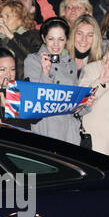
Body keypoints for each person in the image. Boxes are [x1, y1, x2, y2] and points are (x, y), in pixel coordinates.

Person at [24, 17, 81, 145]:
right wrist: (45, 72)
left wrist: (85, 103)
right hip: (47, 129)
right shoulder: (33, 60)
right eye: (51, 39)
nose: (56, 44)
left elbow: (72, 104)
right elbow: (35, 102)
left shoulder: (71, 63)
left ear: (66, 40)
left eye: (61, 39)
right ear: (44, 38)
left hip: (69, 132)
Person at [0, 0, 41, 79]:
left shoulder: (34, 36)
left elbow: (34, 60)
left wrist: (11, 36)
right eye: (1, 16)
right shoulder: (0, 42)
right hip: (7, 88)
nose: (3, 20)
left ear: (21, 20)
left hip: (28, 87)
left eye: (7, 16)